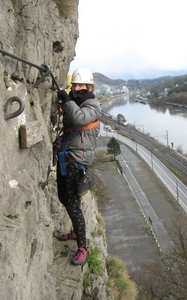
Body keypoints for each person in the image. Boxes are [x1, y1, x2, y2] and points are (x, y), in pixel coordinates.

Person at [56, 68, 101, 265]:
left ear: (89, 87)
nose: (76, 88)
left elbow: (79, 119)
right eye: (74, 85)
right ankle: (77, 230)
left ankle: (82, 246)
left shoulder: (92, 104)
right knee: (64, 197)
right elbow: (71, 126)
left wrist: (66, 101)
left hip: (77, 159)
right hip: (68, 155)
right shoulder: (77, 103)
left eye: (81, 85)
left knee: (71, 203)